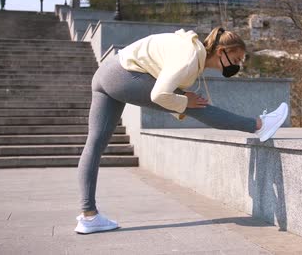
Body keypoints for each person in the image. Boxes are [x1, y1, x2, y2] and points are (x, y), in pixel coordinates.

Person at [74, 27, 289, 234]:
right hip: (123, 75)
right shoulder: (189, 57)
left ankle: (89, 216)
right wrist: (184, 102)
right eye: (236, 59)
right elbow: (159, 95)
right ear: (222, 52)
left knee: (94, 144)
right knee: (197, 106)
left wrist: (182, 104)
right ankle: (260, 125)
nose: (237, 65)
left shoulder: (190, 50)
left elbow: (164, 88)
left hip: (106, 72)